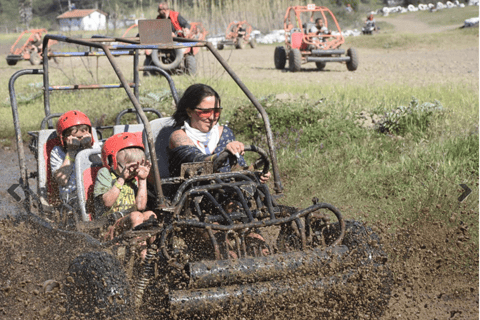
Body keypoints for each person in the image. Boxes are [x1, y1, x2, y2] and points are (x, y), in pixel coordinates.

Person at [167, 83, 270, 183]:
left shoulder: (224, 133)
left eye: (216, 112)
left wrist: (254, 173)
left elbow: (238, 169)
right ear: (189, 111)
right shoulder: (179, 136)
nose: (212, 118)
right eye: (206, 112)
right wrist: (223, 154)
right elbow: (197, 161)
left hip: (225, 194)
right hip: (192, 195)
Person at [94, 132, 156, 241]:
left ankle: (149, 252)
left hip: (131, 219)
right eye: (130, 166)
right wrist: (121, 178)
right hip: (109, 225)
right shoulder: (106, 174)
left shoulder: (133, 179)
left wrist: (142, 180)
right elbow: (107, 203)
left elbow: (141, 207)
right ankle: (138, 251)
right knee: (136, 216)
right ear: (112, 161)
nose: (133, 170)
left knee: (151, 216)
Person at [51, 110, 94, 206]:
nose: (80, 141)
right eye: (76, 138)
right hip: (71, 197)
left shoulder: (95, 148)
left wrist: (87, 149)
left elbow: (101, 169)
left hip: (93, 192)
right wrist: (71, 152)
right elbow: (62, 180)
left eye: (82, 137)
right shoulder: (58, 151)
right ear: (65, 138)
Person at [143, 1, 191, 75]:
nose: (159, 12)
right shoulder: (159, 18)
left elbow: (186, 24)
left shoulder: (176, 15)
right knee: (149, 52)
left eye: (160, 10)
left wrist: (186, 29)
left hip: (178, 39)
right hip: (164, 40)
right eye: (159, 11)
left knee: (187, 52)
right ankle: (151, 72)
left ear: (165, 10)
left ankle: (183, 68)